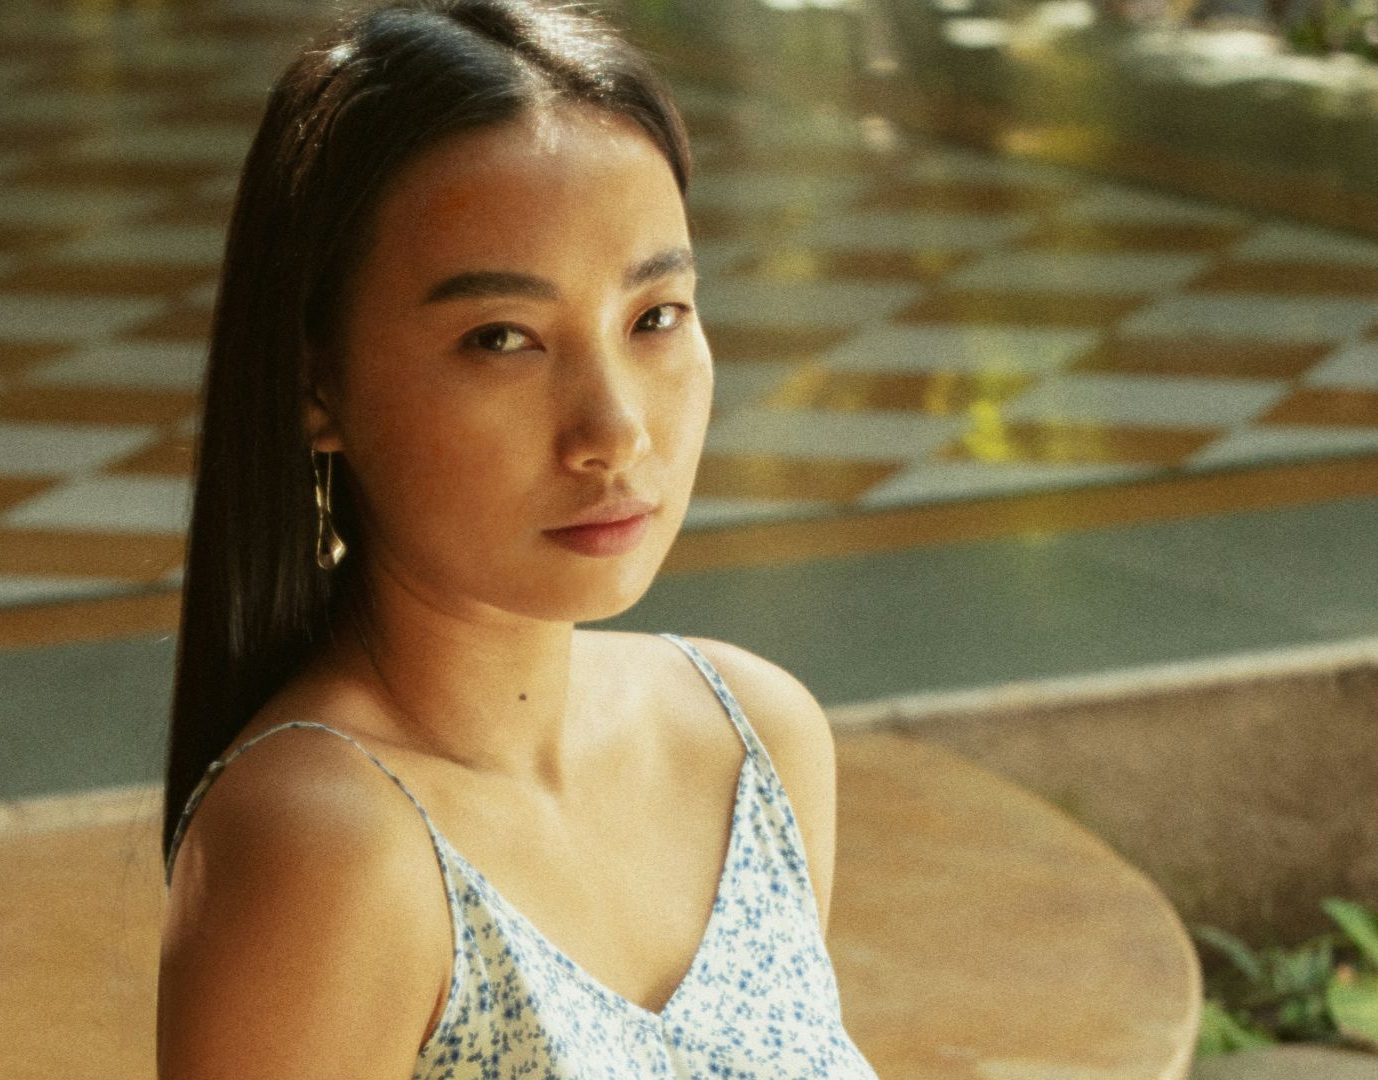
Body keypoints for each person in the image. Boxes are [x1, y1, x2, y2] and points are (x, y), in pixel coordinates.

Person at [156, 0, 882, 1076]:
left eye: (656, 317)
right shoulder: (328, 843)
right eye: (503, 339)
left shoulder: (751, 741)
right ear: (319, 382)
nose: (615, 430)